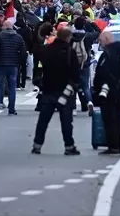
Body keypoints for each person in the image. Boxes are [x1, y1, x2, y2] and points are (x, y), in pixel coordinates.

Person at [31, 25, 80, 155]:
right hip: (65, 90)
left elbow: (39, 64)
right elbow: (75, 73)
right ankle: (69, 146)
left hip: (48, 89)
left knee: (43, 120)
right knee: (66, 121)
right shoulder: (70, 52)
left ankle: (37, 145)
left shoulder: (46, 50)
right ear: (68, 37)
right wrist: (75, 85)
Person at [0, 18, 26, 116]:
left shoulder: (0, 36)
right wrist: (20, 63)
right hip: (13, 65)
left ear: (5, 27)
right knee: (12, 87)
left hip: (0, 64)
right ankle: (12, 109)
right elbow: (23, 52)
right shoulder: (18, 37)